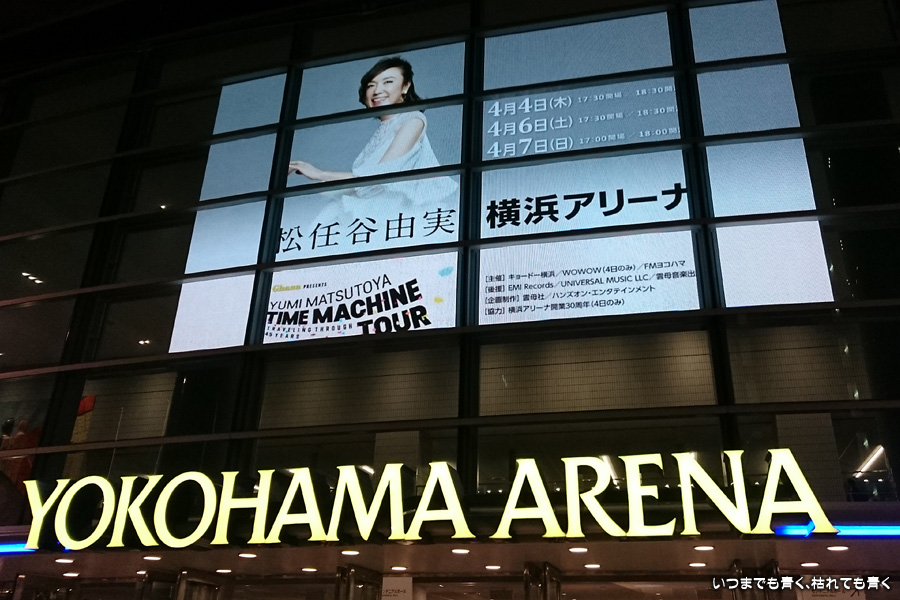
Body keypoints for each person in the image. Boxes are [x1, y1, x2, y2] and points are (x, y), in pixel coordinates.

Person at [287, 57, 456, 210]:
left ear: (405, 86)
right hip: (379, 210)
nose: (377, 91)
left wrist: (319, 174)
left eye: (388, 82)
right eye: (371, 85)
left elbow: (378, 177)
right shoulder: (384, 129)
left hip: (402, 212)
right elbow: (366, 183)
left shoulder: (413, 119)